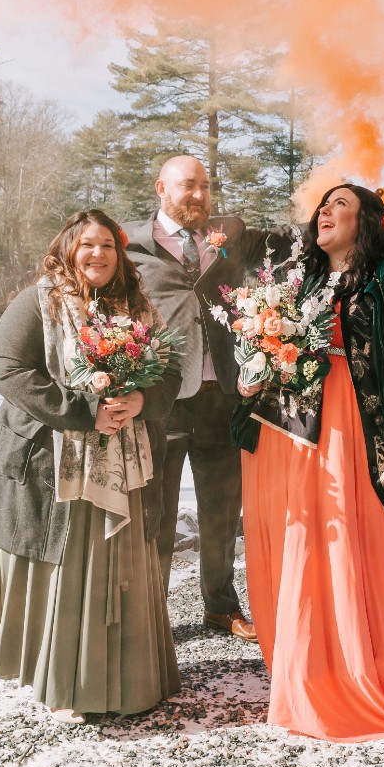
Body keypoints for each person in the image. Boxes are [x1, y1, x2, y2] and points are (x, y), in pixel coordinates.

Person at [235, 184, 384, 741]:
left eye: (341, 206)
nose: (325, 212)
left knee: (362, 544)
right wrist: (253, 375)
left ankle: (371, 668)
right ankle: (311, 669)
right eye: (323, 206)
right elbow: (269, 348)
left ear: (368, 222)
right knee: (309, 546)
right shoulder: (296, 280)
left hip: (366, 431)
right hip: (299, 437)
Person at [0, 209, 181, 723]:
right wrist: (85, 411)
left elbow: (171, 369)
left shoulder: (137, 307)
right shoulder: (39, 301)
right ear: (68, 248)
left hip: (125, 465)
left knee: (122, 567)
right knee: (69, 566)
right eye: (87, 244)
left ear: (120, 252)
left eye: (108, 245)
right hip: (57, 469)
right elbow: (8, 369)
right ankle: (65, 680)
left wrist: (141, 400)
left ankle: (134, 680)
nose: (98, 254)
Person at [122, 155, 289, 642]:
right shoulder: (129, 243)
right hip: (163, 399)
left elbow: (293, 237)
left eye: (205, 186)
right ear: (160, 188)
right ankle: (153, 612)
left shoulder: (231, 233)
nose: (198, 195)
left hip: (225, 397)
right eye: (187, 185)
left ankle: (220, 606)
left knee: (222, 511)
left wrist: (344, 204)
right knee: (159, 512)